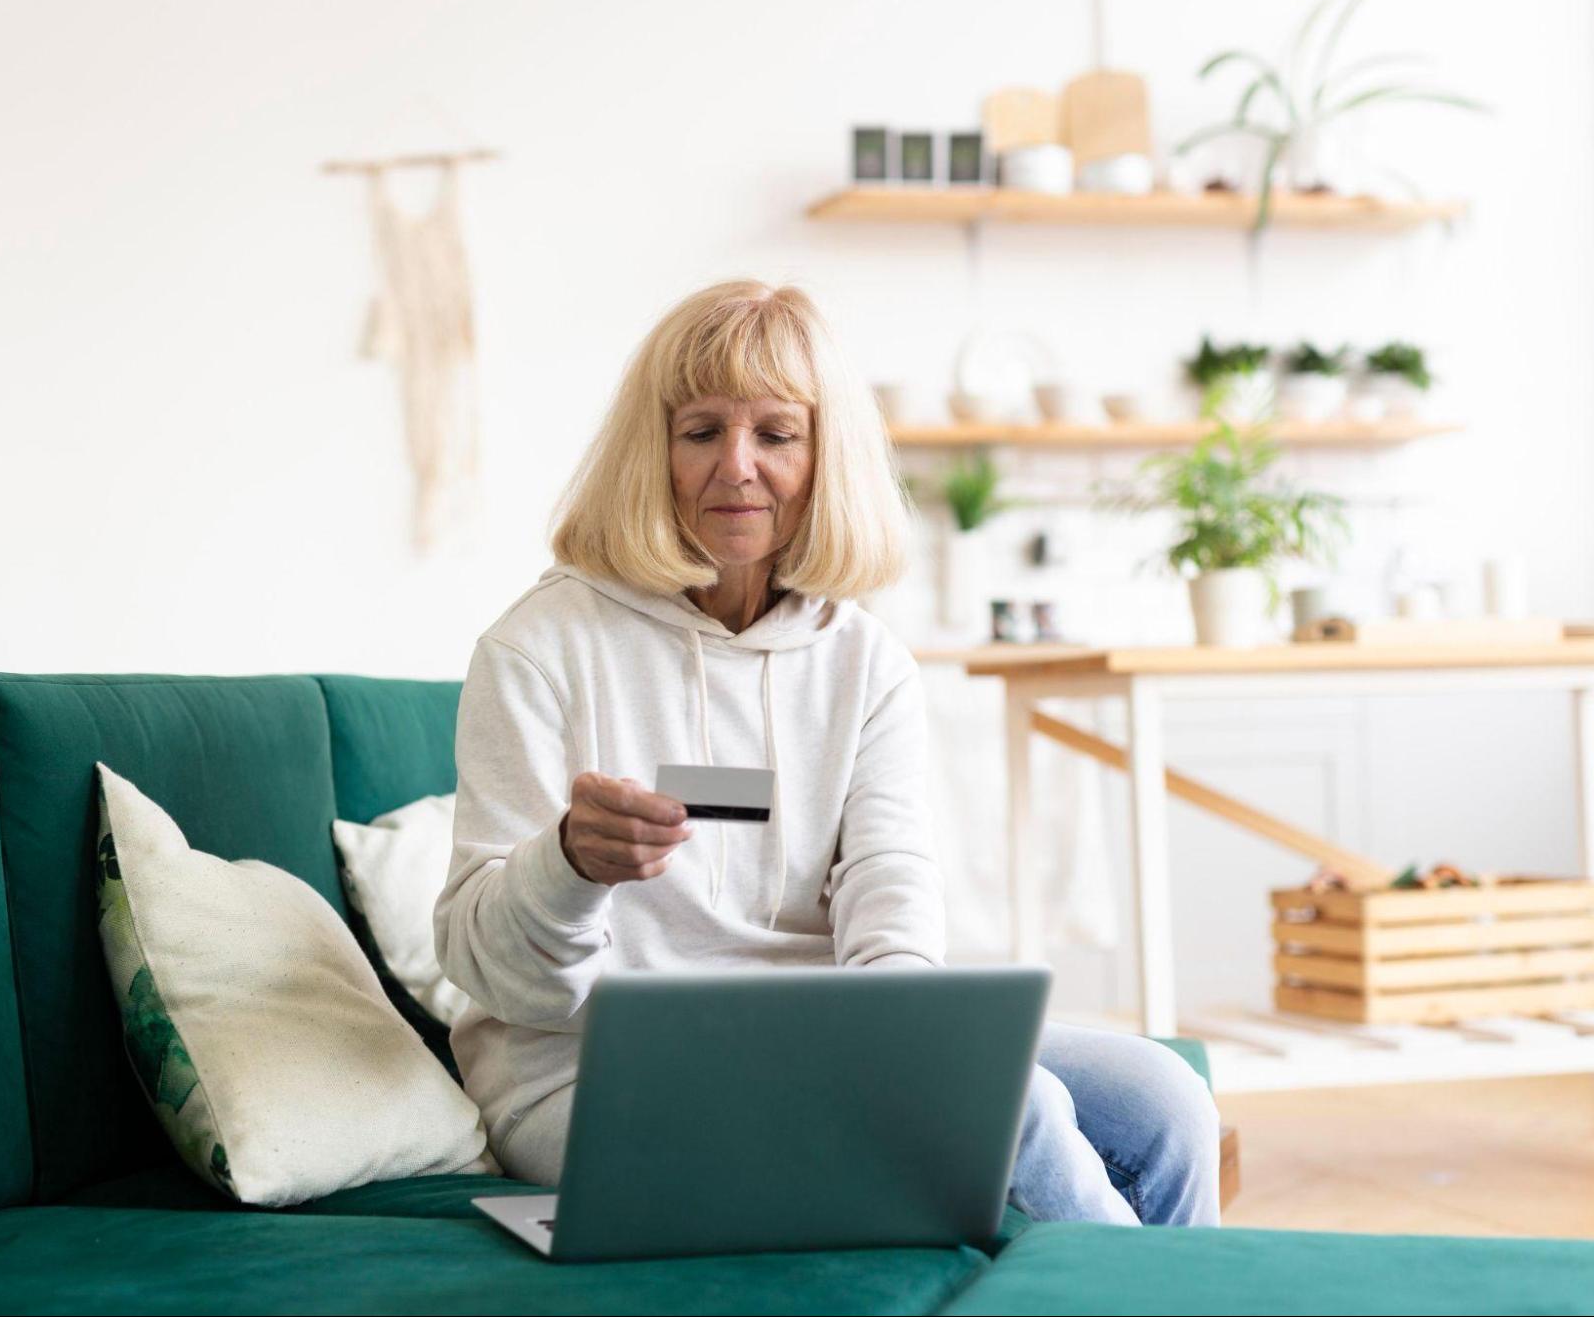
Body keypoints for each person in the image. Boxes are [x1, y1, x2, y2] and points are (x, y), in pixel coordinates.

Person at [434, 279, 1219, 1226]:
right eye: (699, 432)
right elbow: (497, 976)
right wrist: (564, 865)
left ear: (823, 452)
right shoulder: (537, 650)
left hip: (823, 1038)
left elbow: (887, 878)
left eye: (775, 433)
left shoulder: (863, 658)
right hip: (586, 1071)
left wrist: (900, 1037)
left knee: (1162, 1097)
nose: (736, 466)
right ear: (654, 450)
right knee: (1021, 1107)